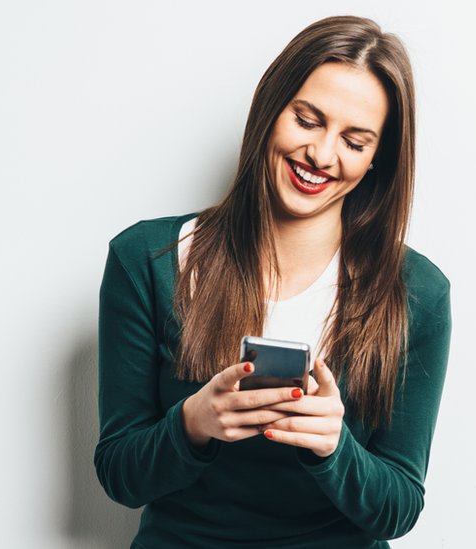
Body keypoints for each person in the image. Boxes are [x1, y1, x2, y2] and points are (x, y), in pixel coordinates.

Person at [94, 15, 452, 549]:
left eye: (354, 142)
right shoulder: (145, 259)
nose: (322, 155)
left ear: (378, 159)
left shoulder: (416, 291)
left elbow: (398, 508)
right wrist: (193, 423)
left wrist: (336, 448)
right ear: (271, 109)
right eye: (307, 120)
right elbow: (120, 475)